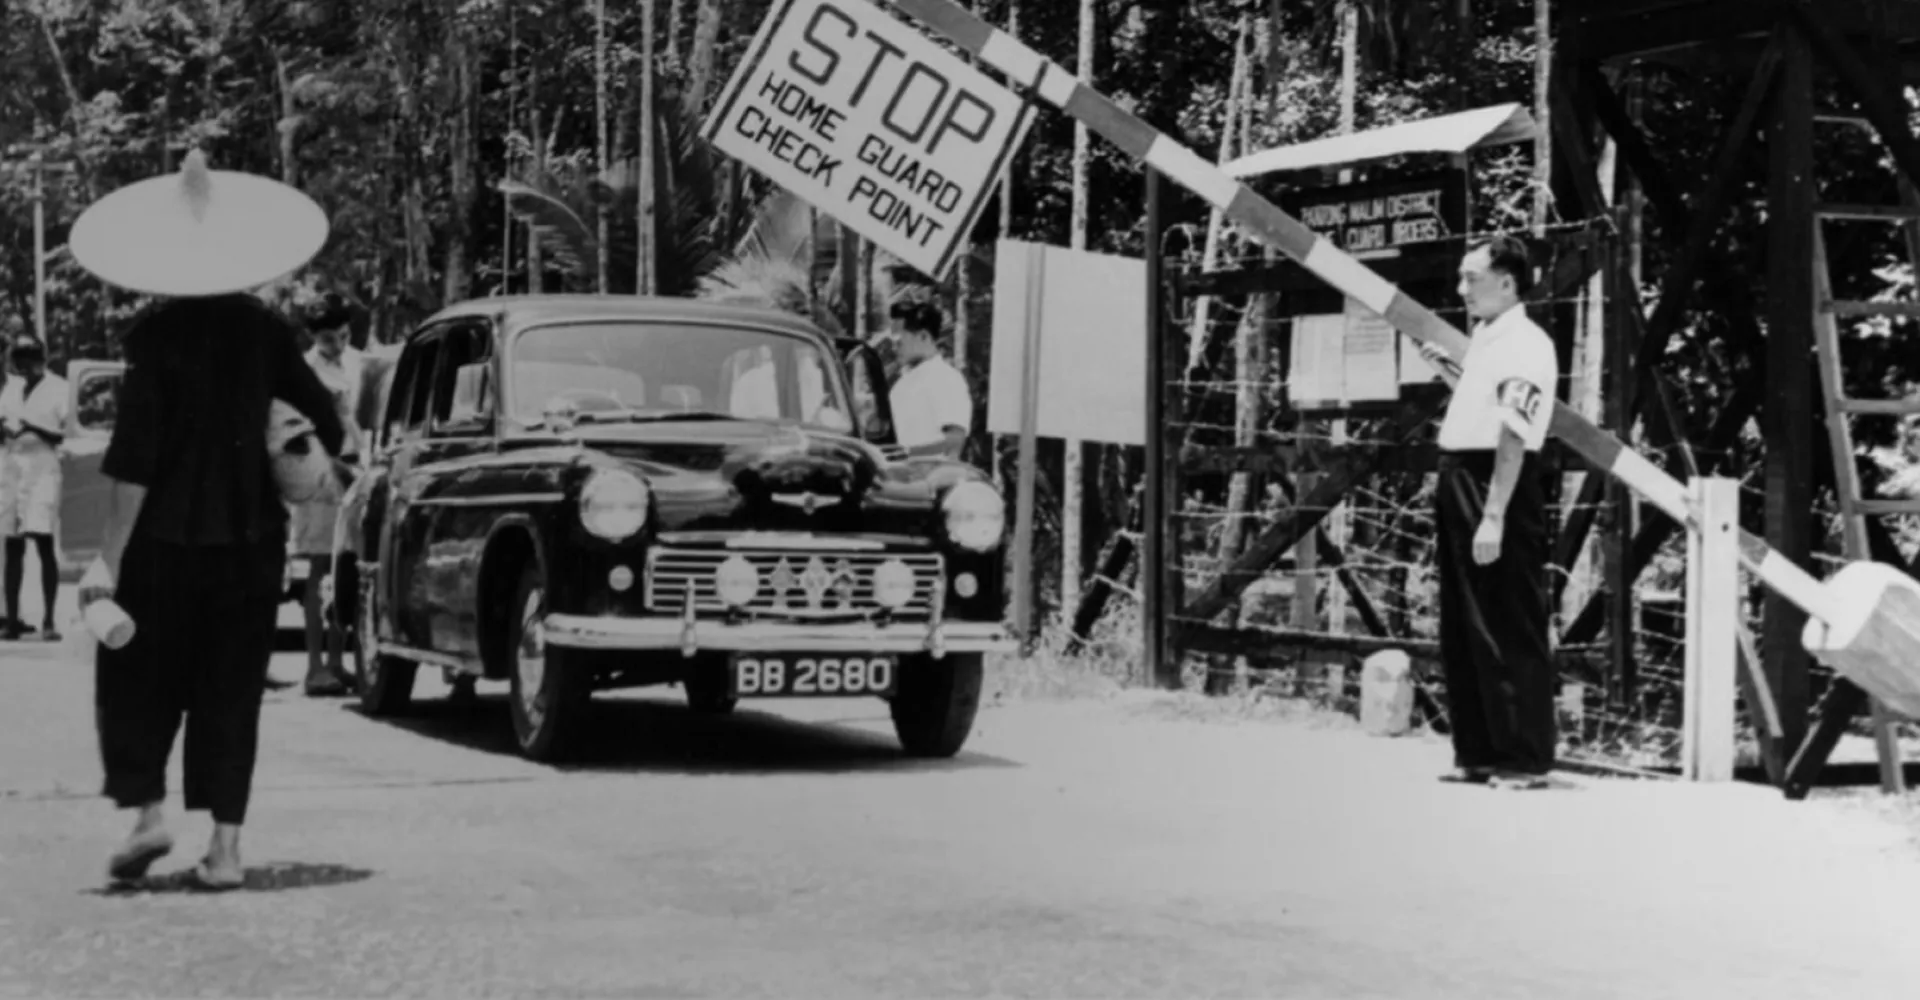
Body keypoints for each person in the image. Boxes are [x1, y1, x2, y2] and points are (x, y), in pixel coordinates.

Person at [70, 149, 344, 888]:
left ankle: (147, 815)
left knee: (134, 676)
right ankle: (225, 848)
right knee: (231, 690)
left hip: (161, 550)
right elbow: (328, 424)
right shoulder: (267, 333)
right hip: (251, 548)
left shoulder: (154, 339)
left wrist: (108, 564)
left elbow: (134, 467)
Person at [1417, 234, 1560, 792]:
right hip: (1461, 476)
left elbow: (1513, 432)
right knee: (1464, 620)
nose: (1462, 289)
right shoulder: (1487, 340)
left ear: (1507, 281)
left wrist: (1495, 513)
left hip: (1497, 481)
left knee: (1509, 617)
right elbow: (1483, 407)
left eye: (1472, 278)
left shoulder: (1526, 344)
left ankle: (1525, 757)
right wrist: (1453, 373)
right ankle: (1477, 749)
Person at [293, 296, 363, 697]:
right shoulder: (304, 371)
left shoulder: (356, 362)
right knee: (321, 569)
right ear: (312, 337)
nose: (336, 346)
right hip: (320, 473)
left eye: (342, 336)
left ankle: (338, 662)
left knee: (346, 568)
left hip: (354, 469)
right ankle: (315, 666)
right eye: (327, 340)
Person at [0, 335, 69, 641]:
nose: (24, 372)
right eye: (19, 366)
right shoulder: (11, 390)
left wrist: (32, 427)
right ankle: (12, 619)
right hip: (13, 465)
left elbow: (63, 435)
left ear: (41, 362)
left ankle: (50, 620)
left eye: (29, 366)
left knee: (43, 543)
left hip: (42, 467)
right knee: (13, 545)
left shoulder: (59, 389)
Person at [885, 300, 972, 459]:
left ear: (924, 336)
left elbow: (954, 442)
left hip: (931, 478)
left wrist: (906, 453)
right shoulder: (902, 383)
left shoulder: (946, 378)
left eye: (899, 342)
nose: (894, 348)